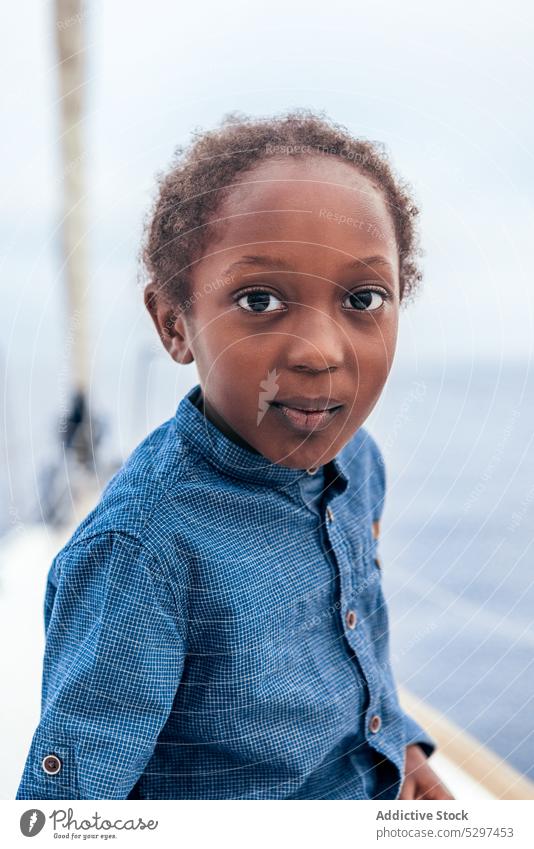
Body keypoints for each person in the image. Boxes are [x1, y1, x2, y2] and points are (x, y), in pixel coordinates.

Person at [16, 110, 453, 800]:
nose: (319, 351)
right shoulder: (143, 552)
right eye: (259, 299)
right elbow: (67, 812)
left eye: (364, 298)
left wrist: (402, 744)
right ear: (174, 323)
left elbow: (359, 627)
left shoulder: (359, 462)